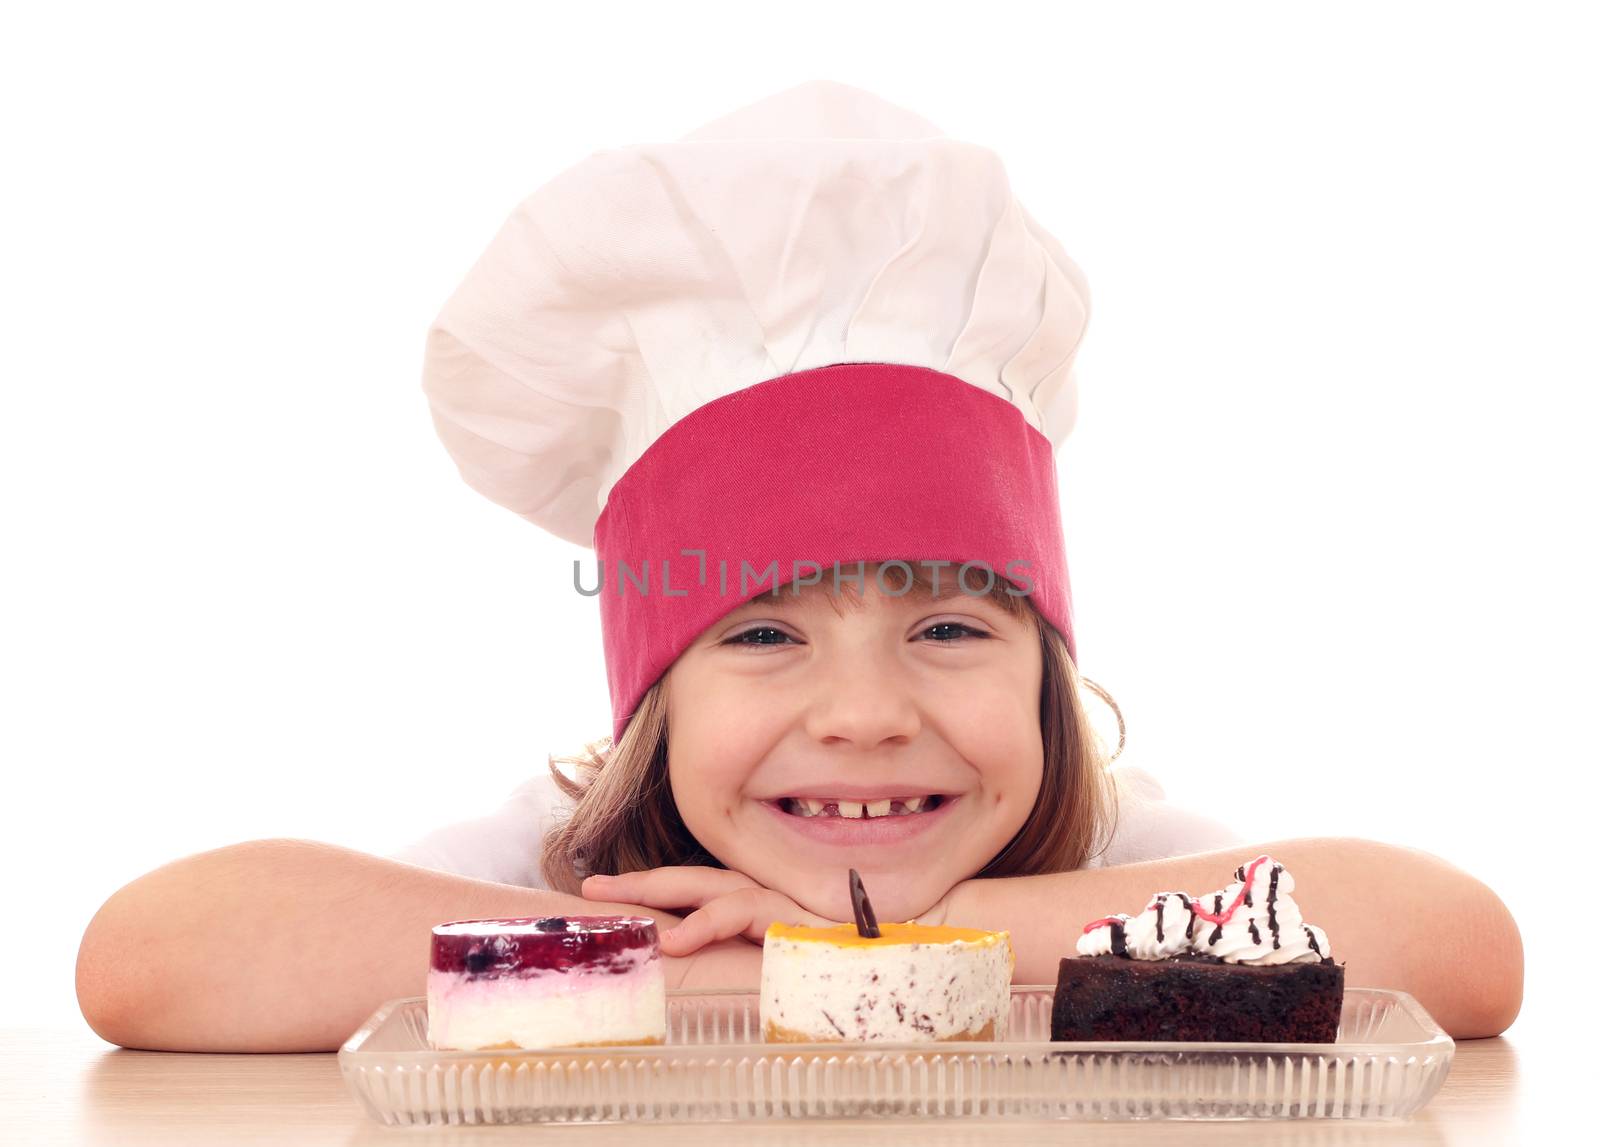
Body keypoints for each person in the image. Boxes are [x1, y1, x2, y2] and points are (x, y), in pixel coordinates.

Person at [75, 80, 1522, 1054]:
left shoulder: (1108, 863)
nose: (864, 715)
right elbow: (154, 957)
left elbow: (1456, 949)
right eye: (763, 637)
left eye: (950, 628)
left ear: (1046, 675)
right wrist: (714, 964)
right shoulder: (586, 867)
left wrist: (880, 934)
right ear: (656, 702)